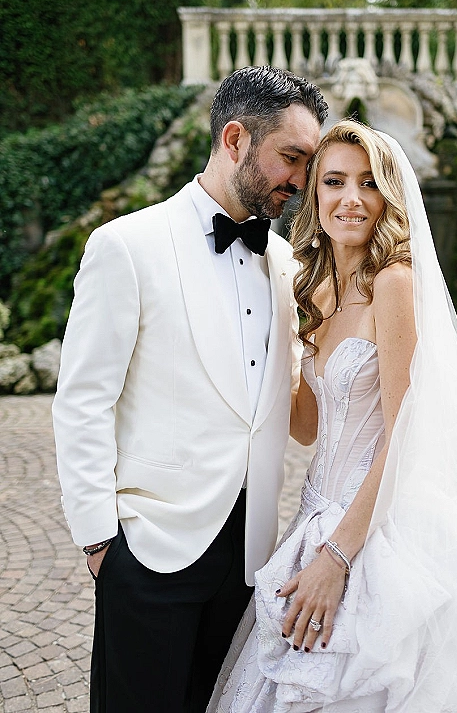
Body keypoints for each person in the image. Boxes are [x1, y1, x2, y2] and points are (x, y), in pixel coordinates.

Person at [208, 119, 457, 713]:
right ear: (315, 195)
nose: (351, 198)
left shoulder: (394, 283)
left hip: (379, 530)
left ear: (387, 196)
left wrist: (337, 558)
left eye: (368, 183)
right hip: (317, 514)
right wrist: (284, 343)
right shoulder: (316, 286)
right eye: (334, 182)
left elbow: (406, 435)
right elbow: (308, 427)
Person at [52, 66, 328, 713]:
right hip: (149, 553)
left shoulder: (286, 263)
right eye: (291, 158)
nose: (302, 181)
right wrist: (101, 546)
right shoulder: (125, 246)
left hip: (248, 561)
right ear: (235, 139)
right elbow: (83, 401)